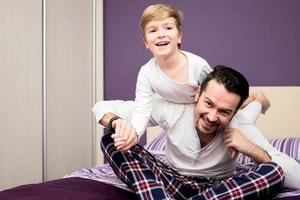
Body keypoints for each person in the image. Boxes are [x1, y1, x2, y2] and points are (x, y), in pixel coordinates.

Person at [93, 66, 287, 199]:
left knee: (275, 171)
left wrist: (251, 149)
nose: (212, 117)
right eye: (208, 104)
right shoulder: (173, 110)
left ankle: (258, 100)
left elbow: (284, 172)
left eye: (224, 111)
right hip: (172, 180)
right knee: (112, 136)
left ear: (235, 113)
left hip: (220, 189)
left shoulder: (240, 125)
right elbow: (102, 107)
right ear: (198, 93)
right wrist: (117, 122)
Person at [117, 4, 212, 151]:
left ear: (179, 37)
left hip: (202, 117)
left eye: (168, 28)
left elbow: (217, 96)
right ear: (146, 43)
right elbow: (142, 110)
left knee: (242, 112)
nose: (161, 34)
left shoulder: (197, 65)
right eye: (153, 30)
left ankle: (255, 99)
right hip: (177, 117)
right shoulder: (146, 73)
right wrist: (134, 135)